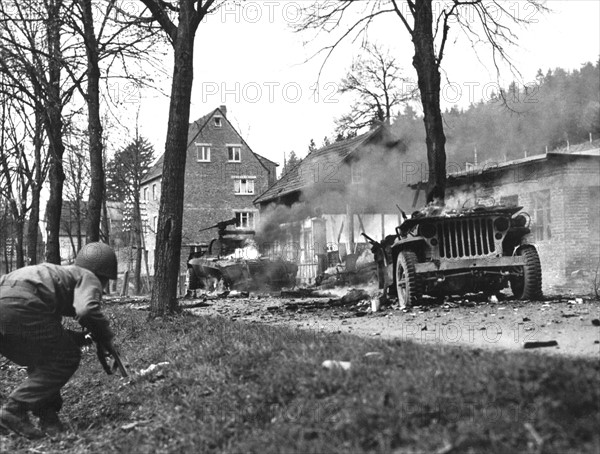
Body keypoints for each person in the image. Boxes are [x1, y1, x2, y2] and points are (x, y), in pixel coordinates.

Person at [0, 242, 118, 439]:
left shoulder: (54, 277)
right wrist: (106, 335)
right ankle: (15, 408)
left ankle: (49, 419)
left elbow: (48, 336)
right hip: (24, 305)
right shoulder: (88, 277)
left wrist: (83, 338)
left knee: (42, 357)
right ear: (103, 276)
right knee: (67, 356)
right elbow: (86, 310)